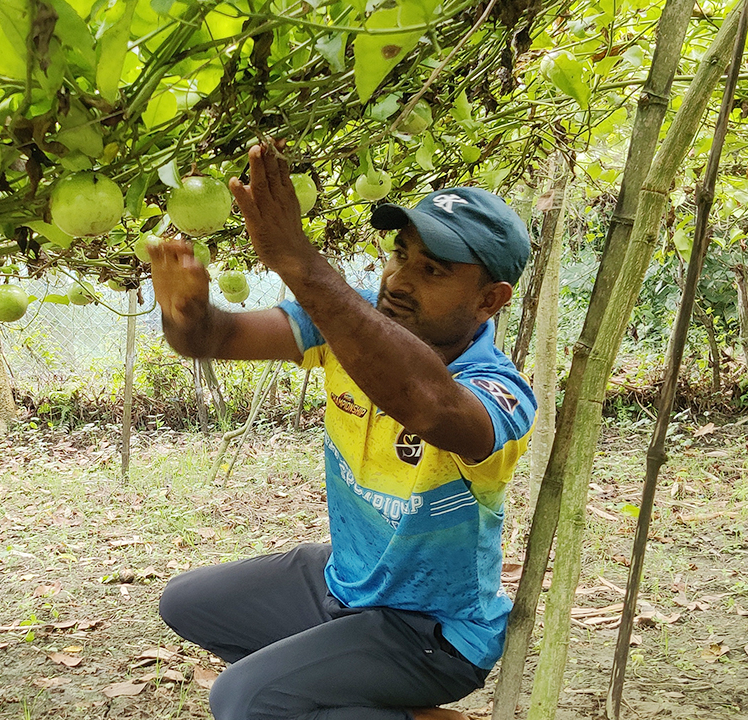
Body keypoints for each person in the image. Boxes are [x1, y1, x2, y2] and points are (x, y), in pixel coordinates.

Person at [150, 142, 537, 720]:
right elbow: (215, 340)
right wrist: (187, 313)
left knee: (244, 699)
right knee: (188, 605)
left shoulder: (499, 393)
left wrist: (299, 261)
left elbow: (425, 402)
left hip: (433, 631)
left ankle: (402, 706)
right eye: (400, 255)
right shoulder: (349, 319)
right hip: (346, 583)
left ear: (490, 299)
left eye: (432, 270)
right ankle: (365, 696)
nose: (399, 280)